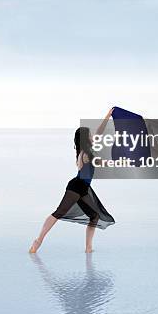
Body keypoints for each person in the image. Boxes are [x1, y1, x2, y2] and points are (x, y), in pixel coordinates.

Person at [29, 108, 115, 254]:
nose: (92, 137)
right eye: (89, 135)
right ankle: (38, 241)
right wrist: (118, 162)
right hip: (76, 187)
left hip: (83, 188)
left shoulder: (88, 149)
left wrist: (108, 115)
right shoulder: (85, 154)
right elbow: (100, 162)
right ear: (85, 138)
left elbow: (99, 133)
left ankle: (88, 248)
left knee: (93, 216)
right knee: (59, 212)